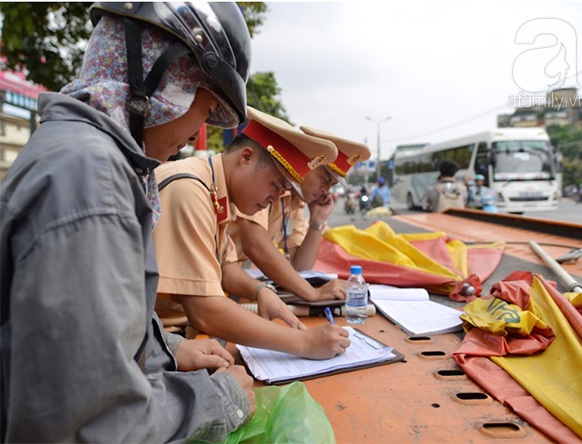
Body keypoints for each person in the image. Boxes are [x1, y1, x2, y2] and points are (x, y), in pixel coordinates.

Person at [0, 3, 257, 442]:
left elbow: (100, 331)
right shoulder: (91, 179)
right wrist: (222, 399)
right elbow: (90, 423)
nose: (198, 133)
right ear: (166, 80)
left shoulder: (85, 157)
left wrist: (171, 351)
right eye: (204, 108)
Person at [153, 107, 351, 359]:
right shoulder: (190, 189)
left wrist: (260, 292)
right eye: (277, 185)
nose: (276, 198)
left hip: (176, 334)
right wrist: (302, 342)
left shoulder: (216, 187)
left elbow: (227, 266)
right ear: (246, 157)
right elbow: (204, 311)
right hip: (159, 338)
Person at [229, 126, 371, 302]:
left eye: (332, 186)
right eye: (325, 179)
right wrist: (312, 293)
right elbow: (255, 244)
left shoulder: (295, 203)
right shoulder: (266, 188)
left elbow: (300, 266)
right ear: (308, 165)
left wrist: (317, 221)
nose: (325, 191)